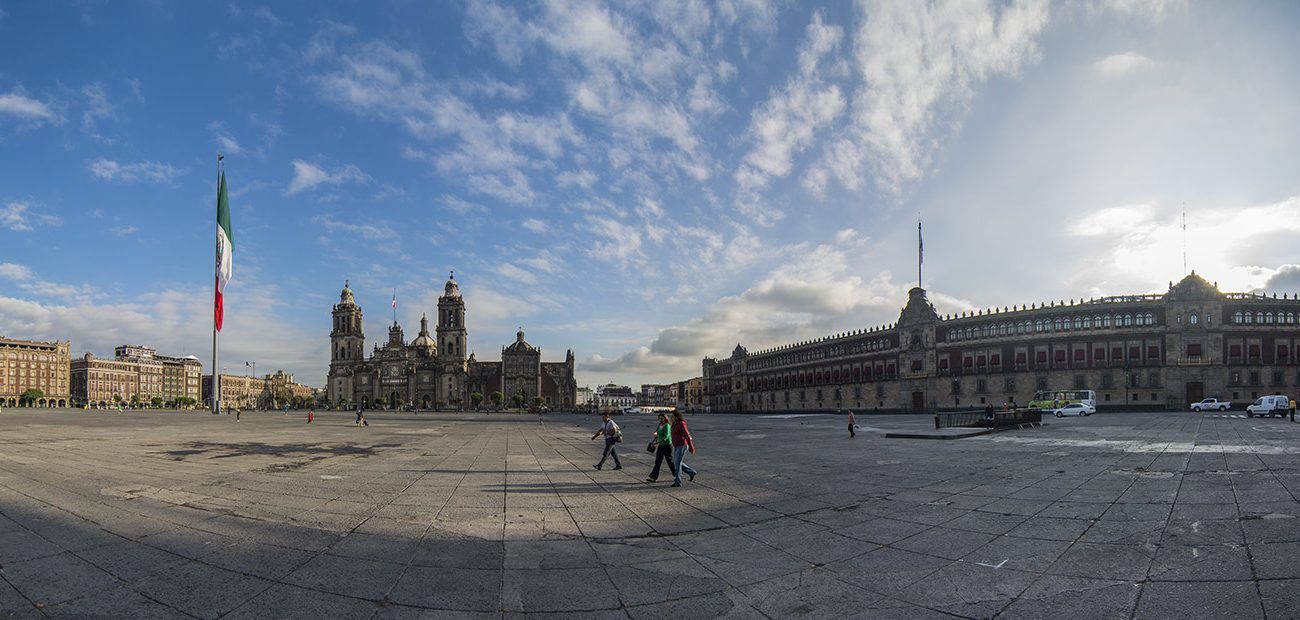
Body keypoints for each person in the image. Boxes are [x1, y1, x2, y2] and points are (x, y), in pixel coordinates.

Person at [669, 410, 696, 487]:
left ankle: (678, 481)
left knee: (677, 463)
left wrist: (691, 447)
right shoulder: (674, 424)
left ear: (676, 417)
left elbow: (687, 435)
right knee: (677, 462)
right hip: (677, 445)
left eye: (672, 416)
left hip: (682, 445)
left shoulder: (682, 424)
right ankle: (691, 472)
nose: (671, 418)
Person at [646, 413, 673, 482]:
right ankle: (653, 477)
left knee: (670, 462)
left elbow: (666, 437)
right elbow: (657, 431)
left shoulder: (667, 425)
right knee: (657, 462)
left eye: (662, 418)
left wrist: (656, 443)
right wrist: (655, 434)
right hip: (661, 445)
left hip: (667, 446)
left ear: (665, 418)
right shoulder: (660, 425)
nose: (661, 420)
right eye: (659, 418)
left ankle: (677, 475)